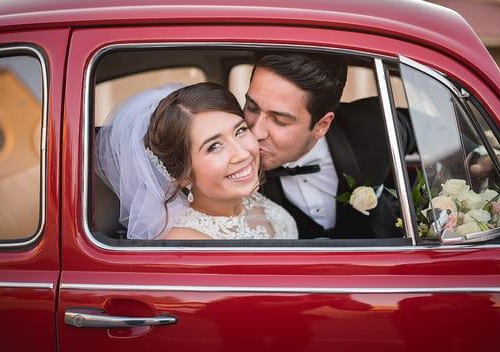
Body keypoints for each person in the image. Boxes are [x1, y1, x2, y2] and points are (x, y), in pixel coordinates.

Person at [96, 82, 298, 240]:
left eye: (240, 131)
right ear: (181, 176)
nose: (243, 153)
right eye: (214, 146)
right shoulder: (184, 243)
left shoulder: (254, 200)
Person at [243, 53, 414, 239]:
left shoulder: (375, 128)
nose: (256, 132)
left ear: (322, 125)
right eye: (252, 108)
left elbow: (441, 133)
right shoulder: (231, 152)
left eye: (280, 121)